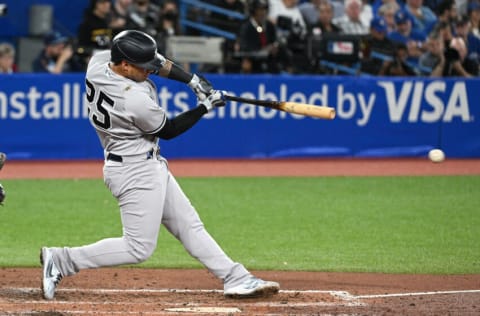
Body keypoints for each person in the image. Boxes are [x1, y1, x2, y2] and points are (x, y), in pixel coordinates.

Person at [40, 29, 280, 301]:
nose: (150, 72)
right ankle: (61, 260)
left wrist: (191, 80)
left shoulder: (99, 63)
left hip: (145, 164)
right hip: (133, 170)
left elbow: (159, 63)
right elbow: (168, 130)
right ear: (125, 65)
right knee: (138, 248)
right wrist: (205, 107)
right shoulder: (132, 99)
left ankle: (236, 277)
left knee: (189, 226)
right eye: (143, 68)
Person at [237, 0, 292, 73]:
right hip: (253, 61)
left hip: (269, 60)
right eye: (260, 10)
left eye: (265, 9)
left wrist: (274, 47)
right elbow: (244, 46)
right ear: (253, 11)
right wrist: (262, 50)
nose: (263, 12)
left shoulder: (269, 26)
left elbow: (274, 41)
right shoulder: (246, 26)